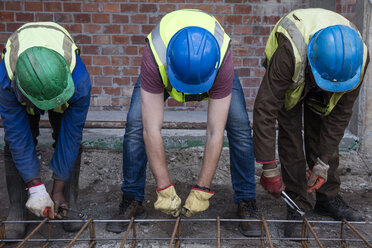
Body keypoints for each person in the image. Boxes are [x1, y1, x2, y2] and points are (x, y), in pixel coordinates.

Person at [106, 9, 259, 237]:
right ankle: (132, 199)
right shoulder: (156, 55)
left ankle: (247, 200)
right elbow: (151, 129)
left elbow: (215, 132)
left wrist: (202, 189)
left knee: (239, 127)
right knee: (136, 125)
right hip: (165, 70)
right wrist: (164, 187)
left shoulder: (221, 59)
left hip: (209, 70)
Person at [253, 8, 369, 237]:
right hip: (291, 75)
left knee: (323, 131)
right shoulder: (289, 54)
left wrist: (323, 163)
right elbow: (265, 109)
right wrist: (269, 167)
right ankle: (298, 203)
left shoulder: (357, 60)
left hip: (326, 70)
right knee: (291, 137)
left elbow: (340, 116)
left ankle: (327, 196)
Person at [0, 22, 91, 238]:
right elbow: (17, 136)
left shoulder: (79, 82)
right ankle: (17, 209)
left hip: (61, 86)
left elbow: (70, 137)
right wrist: (37, 189)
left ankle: (65, 199)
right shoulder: (6, 80)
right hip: (22, 90)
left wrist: (56, 188)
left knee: (67, 138)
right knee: (17, 142)